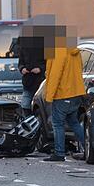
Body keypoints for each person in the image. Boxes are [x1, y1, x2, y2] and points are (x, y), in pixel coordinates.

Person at [43, 34, 86, 162]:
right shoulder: (74, 51)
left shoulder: (58, 51)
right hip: (75, 92)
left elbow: (56, 74)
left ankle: (59, 153)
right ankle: (89, 148)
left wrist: (49, 95)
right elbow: (79, 69)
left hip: (63, 93)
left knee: (58, 124)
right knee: (74, 122)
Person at [18, 28, 46, 116]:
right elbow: (20, 62)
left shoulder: (44, 46)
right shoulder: (24, 47)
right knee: (25, 105)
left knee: (40, 106)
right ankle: (28, 123)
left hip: (41, 81)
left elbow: (49, 63)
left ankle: (38, 123)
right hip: (28, 81)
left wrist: (40, 69)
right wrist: (22, 69)